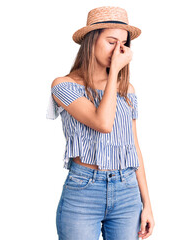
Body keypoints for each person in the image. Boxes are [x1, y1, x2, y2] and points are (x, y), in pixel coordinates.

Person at [46, 6, 155, 240]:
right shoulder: (63, 86)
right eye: (111, 41)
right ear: (91, 41)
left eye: (123, 44)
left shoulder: (127, 91)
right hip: (84, 191)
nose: (118, 50)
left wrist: (147, 204)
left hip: (127, 191)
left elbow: (134, 148)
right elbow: (103, 122)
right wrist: (115, 70)